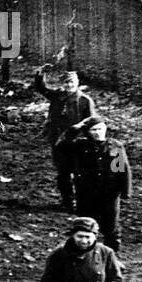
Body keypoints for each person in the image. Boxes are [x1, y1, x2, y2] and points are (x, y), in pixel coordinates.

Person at [63, 117, 130, 252]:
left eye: (100, 129)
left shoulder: (114, 146)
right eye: (93, 130)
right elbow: (63, 144)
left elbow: (122, 169)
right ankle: (84, 255)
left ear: (105, 129)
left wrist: (125, 191)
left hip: (109, 193)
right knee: (85, 224)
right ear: (87, 132)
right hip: (87, 192)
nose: (97, 132)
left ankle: (112, 257)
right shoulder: (80, 146)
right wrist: (77, 127)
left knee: (111, 227)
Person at [32, 66, 94, 211]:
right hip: (58, 141)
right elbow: (42, 89)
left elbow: (91, 121)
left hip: (76, 142)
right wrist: (40, 75)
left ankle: (81, 200)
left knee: (78, 171)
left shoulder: (85, 101)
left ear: (77, 83)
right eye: (66, 83)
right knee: (63, 172)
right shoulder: (57, 96)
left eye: (72, 82)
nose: (69, 85)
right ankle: (68, 201)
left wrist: (84, 135)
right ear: (62, 84)